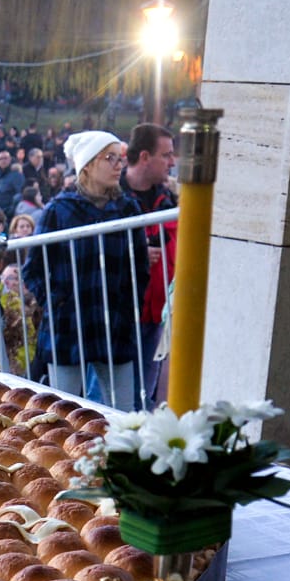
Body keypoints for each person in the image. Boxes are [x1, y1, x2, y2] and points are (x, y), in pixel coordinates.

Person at [21, 130, 147, 410]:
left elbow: (140, 267)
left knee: (123, 414)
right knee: (62, 414)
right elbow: (33, 269)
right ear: (88, 165)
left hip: (115, 324)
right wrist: (56, 302)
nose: (118, 165)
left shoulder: (128, 209)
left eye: (120, 158)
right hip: (68, 325)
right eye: (109, 158)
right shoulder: (58, 210)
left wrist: (129, 306)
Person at [123, 122, 177, 407]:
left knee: (145, 395)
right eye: (166, 155)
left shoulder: (168, 199)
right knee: (116, 397)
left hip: (156, 313)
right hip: (122, 313)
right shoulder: (115, 199)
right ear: (145, 157)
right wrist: (137, 251)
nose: (172, 161)